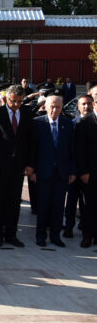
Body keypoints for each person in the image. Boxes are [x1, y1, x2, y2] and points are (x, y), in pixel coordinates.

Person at [0, 85, 32, 248]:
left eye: (20, 102)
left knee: (14, 201)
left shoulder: (26, 113)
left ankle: (11, 234)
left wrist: (29, 164)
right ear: (6, 98)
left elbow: (29, 141)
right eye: (14, 101)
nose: (16, 105)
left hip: (18, 165)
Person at [28, 95, 75, 247]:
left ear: (62, 108)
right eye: (52, 106)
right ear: (46, 106)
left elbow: (72, 150)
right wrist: (32, 170)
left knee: (58, 206)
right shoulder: (37, 123)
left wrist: (72, 171)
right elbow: (33, 149)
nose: (55, 110)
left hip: (61, 172)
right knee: (43, 206)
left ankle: (55, 236)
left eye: (58, 107)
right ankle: (41, 236)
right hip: (43, 172)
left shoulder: (68, 124)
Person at [64, 95, 93, 237]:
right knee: (71, 200)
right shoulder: (72, 124)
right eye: (83, 104)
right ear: (78, 106)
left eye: (89, 104)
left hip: (89, 170)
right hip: (74, 170)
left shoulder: (93, 122)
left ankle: (84, 225)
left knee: (86, 202)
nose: (86, 107)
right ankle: (68, 227)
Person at [75, 86, 97, 247]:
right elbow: (80, 150)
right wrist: (83, 171)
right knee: (88, 206)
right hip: (90, 173)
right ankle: (87, 236)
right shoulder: (85, 122)